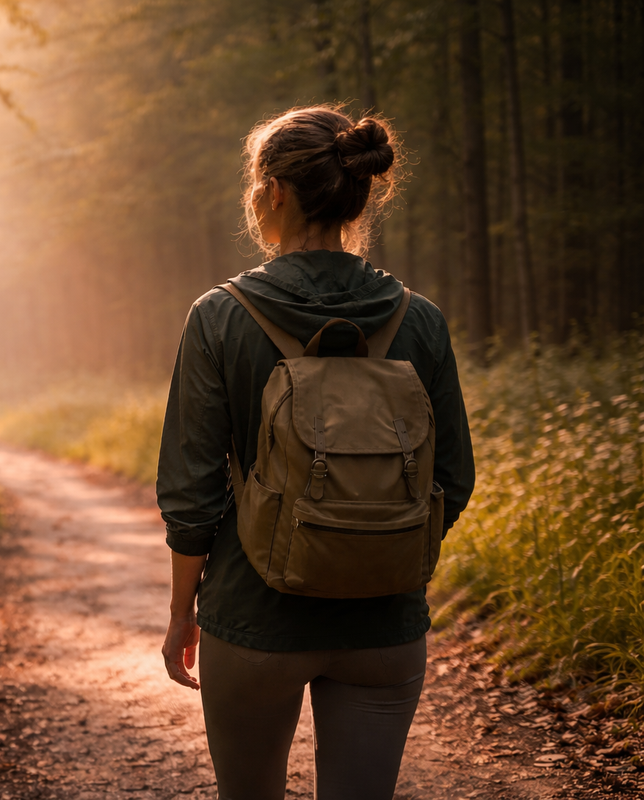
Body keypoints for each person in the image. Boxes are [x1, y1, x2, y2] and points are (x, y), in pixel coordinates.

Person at [156, 105, 476, 799]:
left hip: (254, 616)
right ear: (359, 191)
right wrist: (374, 548)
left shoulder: (219, 315)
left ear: (272, 191)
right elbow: (453, 478)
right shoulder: (418, 320)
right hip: (384, 622)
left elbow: (191, 493)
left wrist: (184, 612)